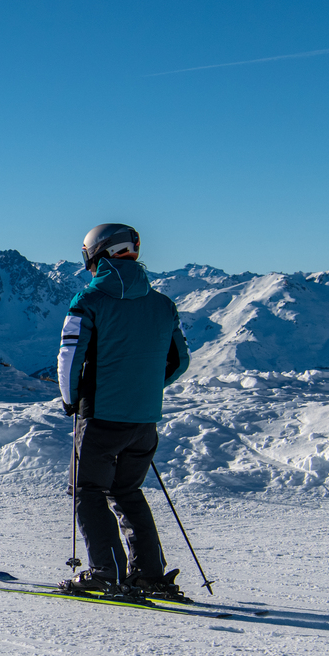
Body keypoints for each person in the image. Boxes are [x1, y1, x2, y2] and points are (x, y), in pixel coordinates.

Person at [57, 223, 191, 599]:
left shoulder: (89, 300)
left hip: (101, 416)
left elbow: (70, 356)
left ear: (96, 254)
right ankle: (149, 574)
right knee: (127, 490)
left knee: (88, 490)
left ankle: (106, 572)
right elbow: (180, 361)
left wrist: (71, 400)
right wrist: (144, 390)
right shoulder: (162, 304)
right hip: (144, 419)